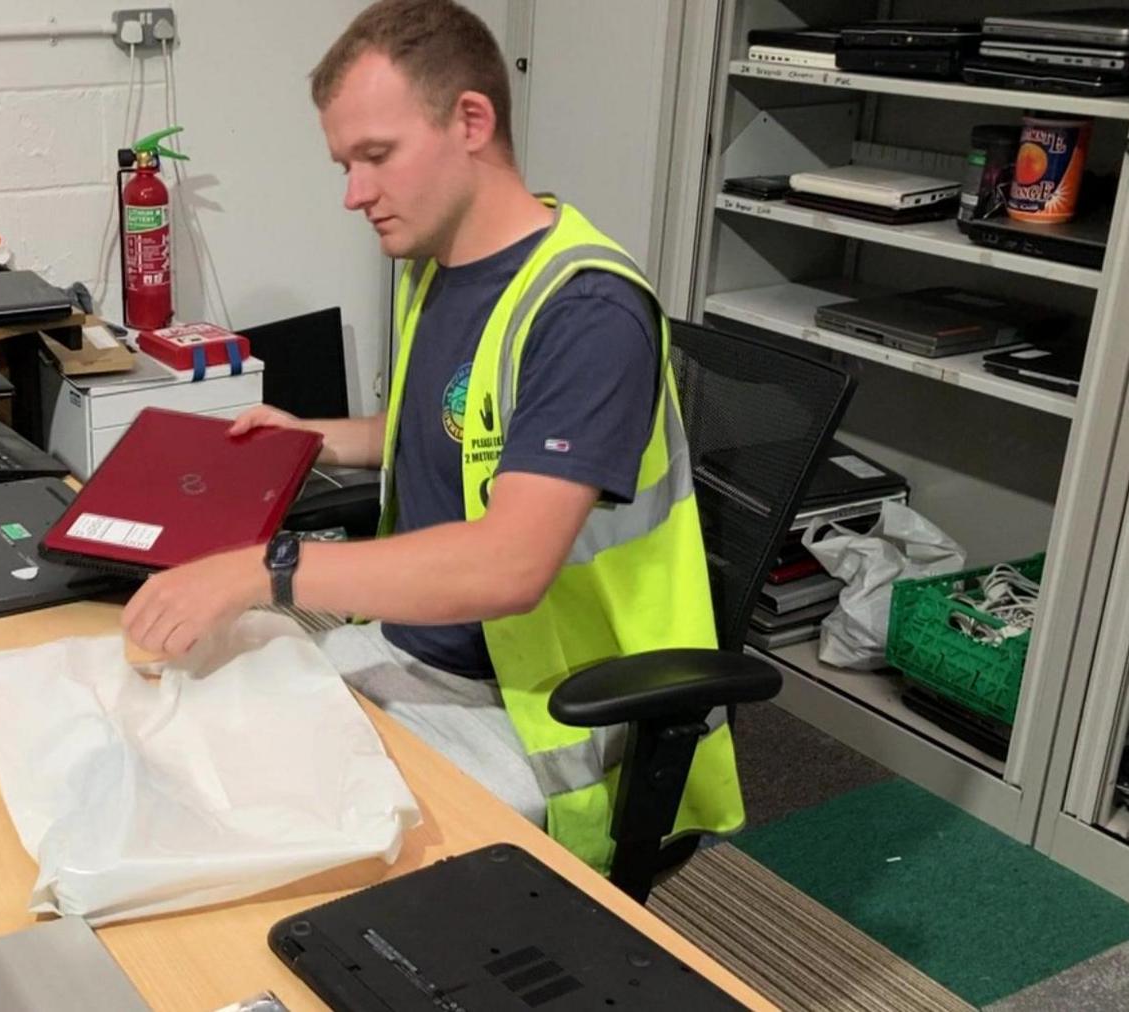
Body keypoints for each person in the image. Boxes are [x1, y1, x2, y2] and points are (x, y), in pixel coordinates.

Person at [120, 0, 743, 871]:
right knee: (179, 731)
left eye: (376, 157)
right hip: (416, 645)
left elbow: (509, 565)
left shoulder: (586, 309)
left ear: (471, 121)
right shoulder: (440, 267)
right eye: (345, 164)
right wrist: (316, 437)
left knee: (266, 845)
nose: (354, 193)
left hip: (546, 711)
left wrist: (269, 571)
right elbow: (453, 429)